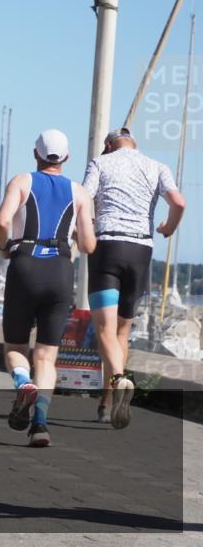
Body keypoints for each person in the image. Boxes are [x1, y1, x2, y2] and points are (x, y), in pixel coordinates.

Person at [0, 129, 96, 447]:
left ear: (35, 154)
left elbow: (2, 221)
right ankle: (40, 423)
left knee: (15, 347)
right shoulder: (79, 193)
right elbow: (89, 244)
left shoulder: (22, 181)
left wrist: (4, 247)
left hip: (25, 264)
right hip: (59, 272)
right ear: (66, 158)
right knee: (47, 357)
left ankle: (23, 384)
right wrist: (78, 238)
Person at [83, 127, 185, 428]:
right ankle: (107, 402)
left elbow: (83, 198)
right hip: (140, 250)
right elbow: (178, 203)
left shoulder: (101, 163)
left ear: (108, 145)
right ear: (134, 144)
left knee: (104, 329)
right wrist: (169, 227)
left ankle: (119, 379)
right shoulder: (157, 166)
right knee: (122, 333)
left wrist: (83, 229)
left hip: (107, 247)